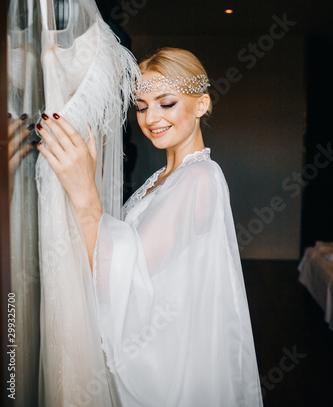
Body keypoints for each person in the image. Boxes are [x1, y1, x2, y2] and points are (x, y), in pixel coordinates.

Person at [36, 47, 263, 406]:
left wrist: (86, 197)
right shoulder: (162, 178)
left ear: (201, 105)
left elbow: (133, 277)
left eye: (166, 103)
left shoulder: (201, 176)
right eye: (141, 106)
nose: (150, 117)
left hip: (168, 361)